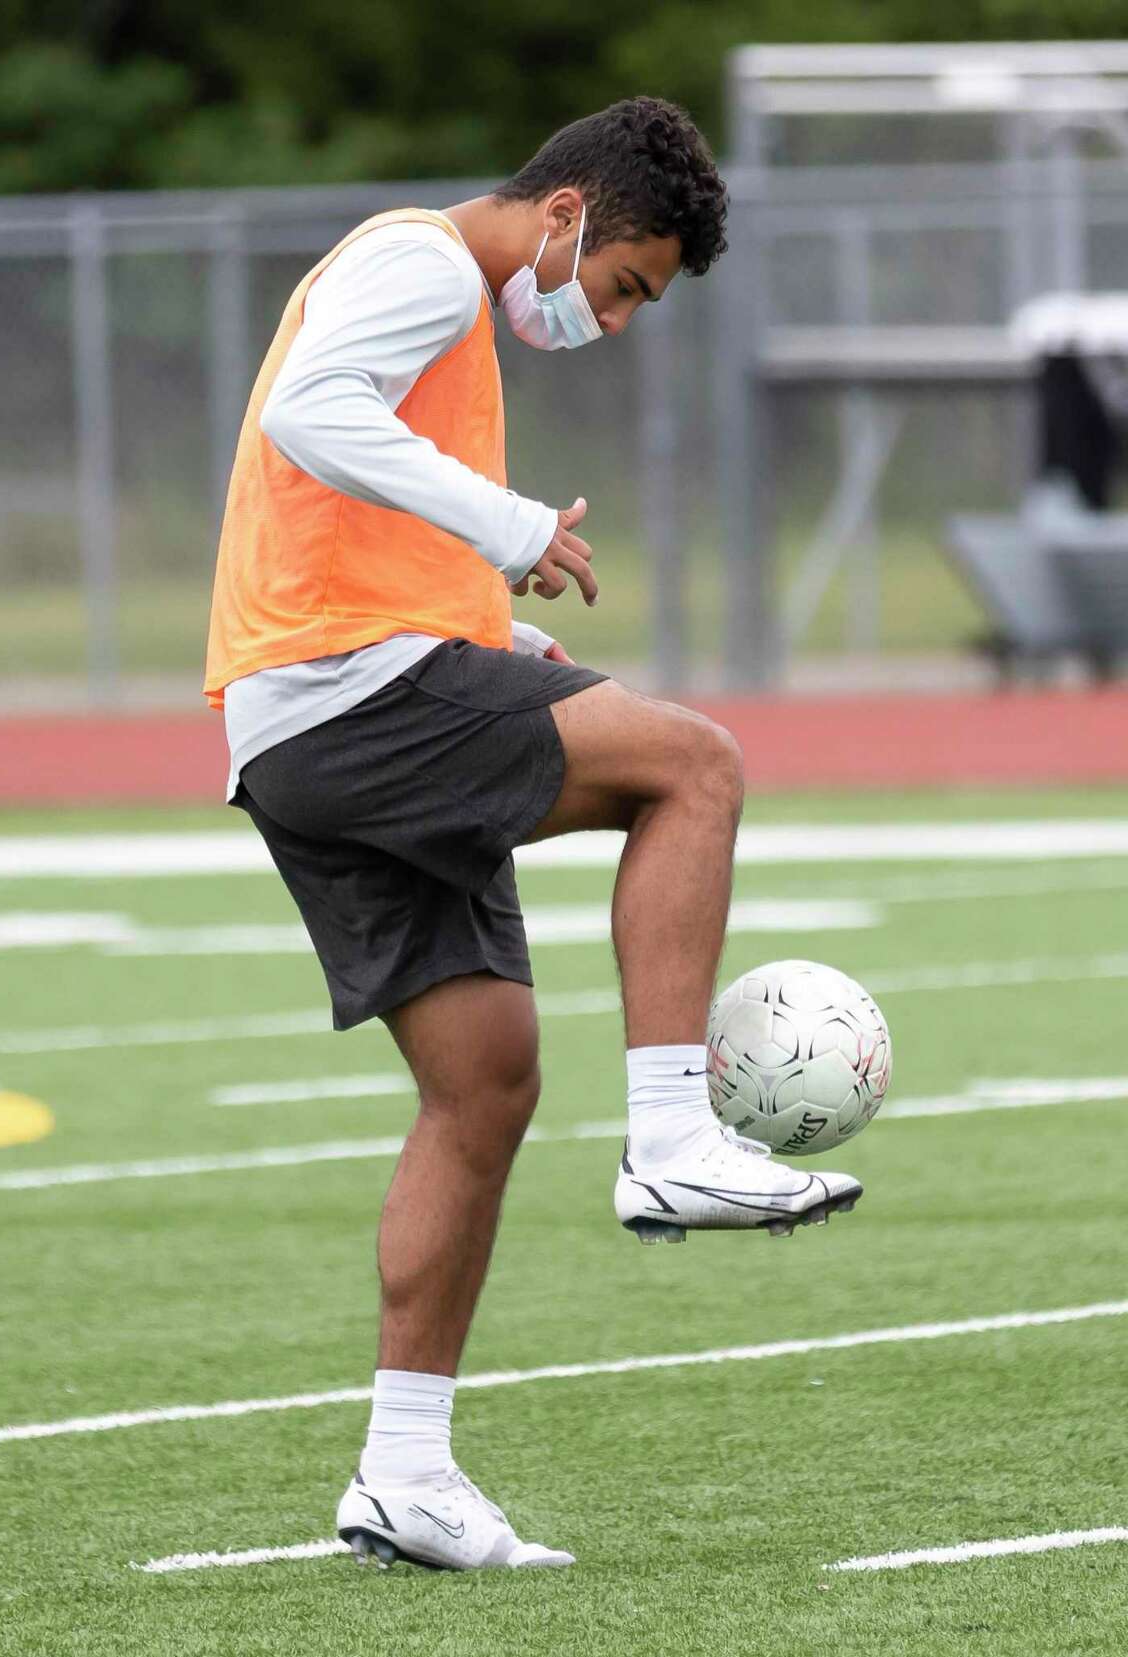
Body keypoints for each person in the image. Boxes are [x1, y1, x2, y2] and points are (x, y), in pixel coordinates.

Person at [203, 95, 862, 1573]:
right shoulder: (424, 262)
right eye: (623, 284)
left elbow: (336, 525)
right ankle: (675, 1137)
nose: (611, 321)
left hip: (315, 713)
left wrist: (491, 630)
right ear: (565, 213)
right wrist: (507, 528)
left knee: (485, 1082)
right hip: (348, 701)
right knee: (695, 769)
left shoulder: (445, 302)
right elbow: (312, 412)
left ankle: (405, 1475)